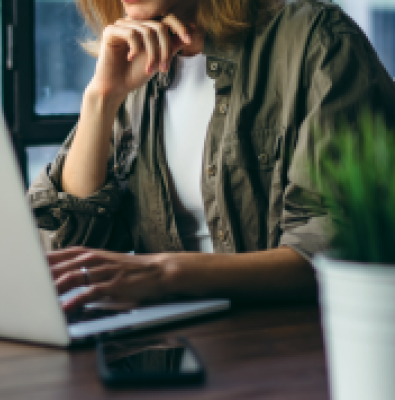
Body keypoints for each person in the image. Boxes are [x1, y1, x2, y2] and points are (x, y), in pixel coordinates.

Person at [28, 0, 395, 312]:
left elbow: (333, 252)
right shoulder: (135, 62)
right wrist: (101, 98)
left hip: (289, 354)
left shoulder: (317, 40)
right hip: (171, 354)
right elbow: (64, 255)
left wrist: (165, 274)